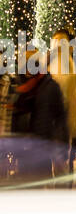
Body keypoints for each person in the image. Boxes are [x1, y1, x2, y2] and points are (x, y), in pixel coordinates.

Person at [5, 46, 68, 182]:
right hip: (21, 147)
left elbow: (60, 118)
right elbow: (11, 117)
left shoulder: (51, 86)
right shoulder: (17, 86)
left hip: (43, 147)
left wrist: (61, 148)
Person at [48, 28, 76, 174]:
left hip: (66, 125)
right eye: (55, 41)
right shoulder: (46, 65)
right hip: (47, 123)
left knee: (63, 164)